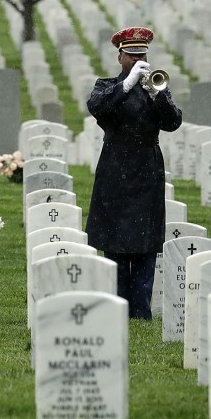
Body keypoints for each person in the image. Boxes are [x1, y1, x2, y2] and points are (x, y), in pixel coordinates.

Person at [85, 26, 182, 319]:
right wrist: (126, 85)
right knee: (115, 242)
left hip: (147, 169)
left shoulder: (156, 87)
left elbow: (173, 122)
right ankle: (117, 307)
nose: (138, 58)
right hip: (116, 168)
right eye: (132, 54)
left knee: (145, 244)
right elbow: (97, 108)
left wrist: (158, 95)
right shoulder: (106, 86)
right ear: (120, 57)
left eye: (142, 54)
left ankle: (141, 310)